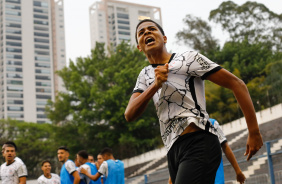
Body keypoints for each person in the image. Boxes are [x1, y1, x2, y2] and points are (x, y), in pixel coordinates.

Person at [124, 19, 263, 184]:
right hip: (173, 151)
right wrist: (156, 85)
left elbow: (237, 84)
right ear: (139, 47)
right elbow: (129, 114)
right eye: (141, 32)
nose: (146, 32)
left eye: (152, 29)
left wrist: (254, 132)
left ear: (165, 38)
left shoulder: (188, 59)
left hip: (199, 142)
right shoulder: (144, 75)